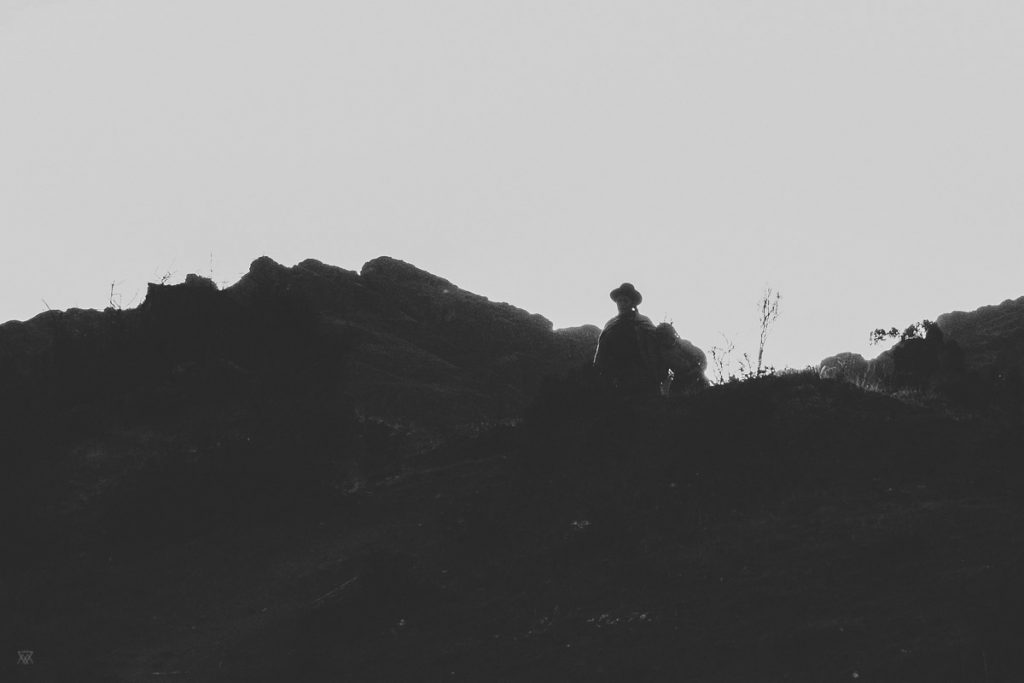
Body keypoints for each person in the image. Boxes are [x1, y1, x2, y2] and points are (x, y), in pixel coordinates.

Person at [593, 283, 660, 393]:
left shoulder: (643, 322)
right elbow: (601, 350)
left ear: (632, 303)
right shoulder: (610, 324)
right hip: (615, 374)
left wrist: (655, 373)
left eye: (625, 301)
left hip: (640, 374)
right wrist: (597, 371)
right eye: (619, 300)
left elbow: (653, 348)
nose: (622, 304)